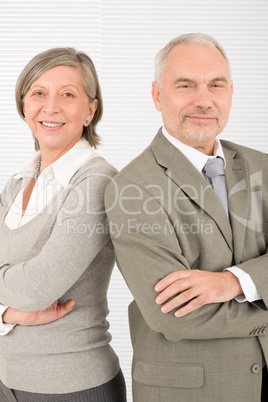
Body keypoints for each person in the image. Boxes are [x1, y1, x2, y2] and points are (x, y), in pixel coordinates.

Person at [104, 33, 268, 402]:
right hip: (190, 392)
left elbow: (225, 289)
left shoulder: (263, 167)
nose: (204, 100)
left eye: (216, 85)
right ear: (158, 95)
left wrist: (233, 282)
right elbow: (174, 315)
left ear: (230, 93)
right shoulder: (132, 187)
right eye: (185, 85)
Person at [0, 48, 126, 401]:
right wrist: (11, 313)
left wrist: (17, 300)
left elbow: (37, 288)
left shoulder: (97, 182)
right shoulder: (17, 182)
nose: (50, 107)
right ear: (24, 105)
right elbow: (22, 294)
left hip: (74, 384)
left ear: (90, 111)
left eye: (68, 95)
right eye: (38, 93)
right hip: (8, 380)